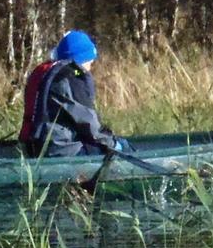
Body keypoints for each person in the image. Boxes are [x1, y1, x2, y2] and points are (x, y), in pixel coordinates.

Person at [19, 29, 133, 158]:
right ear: (81, 58)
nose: (91, 65)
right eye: (90, 61)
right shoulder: (70, 78)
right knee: (123, 148)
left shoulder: (48, 73)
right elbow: (89, 124)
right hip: (58, 149)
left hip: (33, 145)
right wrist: (114, 144)